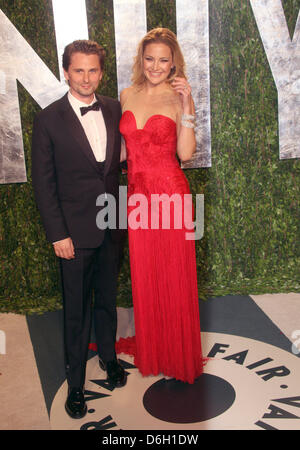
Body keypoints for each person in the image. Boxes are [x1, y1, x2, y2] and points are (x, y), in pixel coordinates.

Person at [31, 40, 126, 420]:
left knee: (107, 300)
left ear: (101, 72)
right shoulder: (48, 119)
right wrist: (58, 235)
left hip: (110, 226)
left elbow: (115, 166)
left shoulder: (115, 108)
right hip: (72, 233)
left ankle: (109, 358)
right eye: (78, 70)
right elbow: (44, 183)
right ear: (66, 72)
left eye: (93, 70)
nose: (86, 78)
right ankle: (75, 384)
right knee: (76, 311)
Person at [118, 28, 206, 383]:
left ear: (174, 64)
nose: (155, 66)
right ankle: (154, 349)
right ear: (142, 60)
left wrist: (186, 107)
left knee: (172, 273)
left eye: (163, 60)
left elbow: (185, 153)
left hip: (170, 194)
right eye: (149, 59)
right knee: (146, 273)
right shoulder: (126, 94)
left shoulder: (178, 97)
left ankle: (176, 352)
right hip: (138, 196)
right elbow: (124, 152)